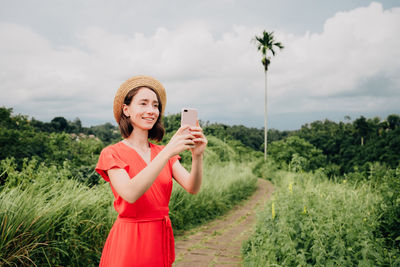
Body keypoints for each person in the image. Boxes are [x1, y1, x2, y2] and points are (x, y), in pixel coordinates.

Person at [95, 75, 207, 267]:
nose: (151, 111)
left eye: (155, 105)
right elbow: (130, 193)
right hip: (129, 241)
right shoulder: (112, 153)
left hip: (159, 238)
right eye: (143, 104)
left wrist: (197, 156)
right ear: (126, 110)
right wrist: (167, 152)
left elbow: (192, 187)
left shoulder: (163, 152)